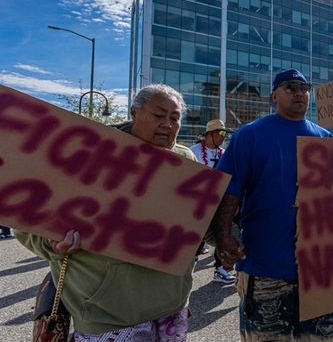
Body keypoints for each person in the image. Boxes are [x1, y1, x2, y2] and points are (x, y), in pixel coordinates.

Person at [16, 84, 198, 341]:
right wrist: (50, 242)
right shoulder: (88, 153)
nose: (168, 124)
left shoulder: (186, 160)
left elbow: (198, 223)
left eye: (175, 117)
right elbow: (25, 221)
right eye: (159, 115)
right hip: (108, 313)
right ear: (134, 113)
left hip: (171, 306)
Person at [213, 69, 333, 341]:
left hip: (320, 269)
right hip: (266, 269)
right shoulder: (250, 135)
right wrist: (223, 234)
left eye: (304, 87)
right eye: (290, 87)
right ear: (274, 96)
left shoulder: (325, 139)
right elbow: (229, 190)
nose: (299, 92)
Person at [190, 119, 236, 284]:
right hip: (197, 204)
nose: (224, 137)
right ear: (209, 134)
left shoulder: (223, 153)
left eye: (225, 133)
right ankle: (185, 268)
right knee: (195, 239)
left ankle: (220, 269)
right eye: (221, 133)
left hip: (219, 202)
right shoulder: (193, 151)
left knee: (222, 234)